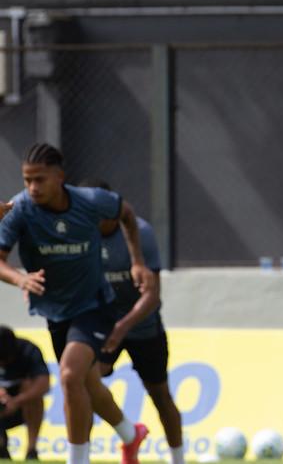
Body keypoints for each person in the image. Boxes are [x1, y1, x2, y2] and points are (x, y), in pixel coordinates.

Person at [0, 143, 153, 464]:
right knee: (88, 384)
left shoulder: (91, 201)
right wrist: (20, 279)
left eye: (39, 179)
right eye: (27, 180)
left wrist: (137, 261)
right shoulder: (21, 209)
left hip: (95, 305)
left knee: (69, 376)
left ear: (60, 177)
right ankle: (131, 433)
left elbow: (126, 213)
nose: (32, 187)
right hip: (56, 311)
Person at [78, 179, 184, 464]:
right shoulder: (81, 232)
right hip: (102, 323)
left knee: (160, 395)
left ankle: (177, 459)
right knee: (84, 386)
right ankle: (110, 442)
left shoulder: (141, 233)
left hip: (142, 325)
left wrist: (122, 327)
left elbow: (152, 295)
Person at [0, 326, 50, 460]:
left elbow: (44, 384)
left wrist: (16, 401)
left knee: (31, 390)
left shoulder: (28, 351)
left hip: (21, 408)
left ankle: (31, 450)